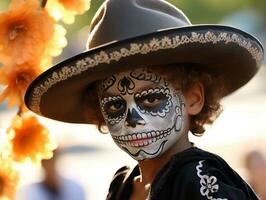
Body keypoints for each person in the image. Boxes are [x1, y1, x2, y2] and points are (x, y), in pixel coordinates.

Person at [24, 0, 264, 199]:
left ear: (194, 99)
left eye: (151, 99)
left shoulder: (201, 182)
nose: (132, 119)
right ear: (101, 114)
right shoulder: (123, 186)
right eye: (115, 105)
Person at [16, 150, 86, 200]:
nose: (49, 164)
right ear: (41, 163)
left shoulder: (75, 187)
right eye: (46, 160)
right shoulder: (31, 191)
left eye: (52, 158)